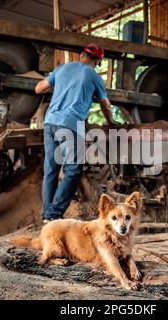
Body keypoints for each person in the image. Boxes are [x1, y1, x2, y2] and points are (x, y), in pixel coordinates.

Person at [35, 44, 114, 223]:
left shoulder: (62, 68)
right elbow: (105, 104)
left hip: (50, 122)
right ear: (98, 61)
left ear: (81, 55)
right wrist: (111, 122)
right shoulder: (94, 76)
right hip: (70, 125)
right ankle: (54, 213)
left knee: (51, 170)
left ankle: (48, 215)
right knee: (72, 170)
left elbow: (39, 89)